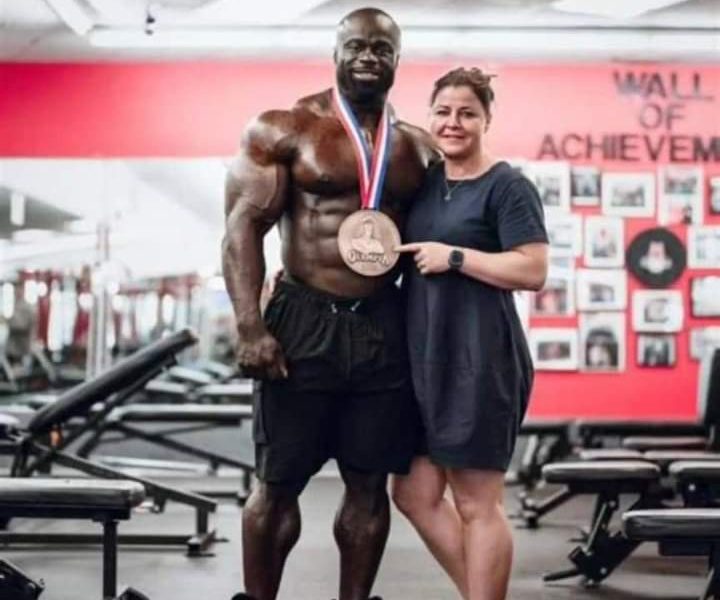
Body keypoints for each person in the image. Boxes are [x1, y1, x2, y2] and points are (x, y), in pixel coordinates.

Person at [222, 8, 434, 600]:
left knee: (368, 484)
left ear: (397, 59)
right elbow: (242, 227)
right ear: (336, 53)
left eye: (381, 49)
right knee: (277, 484)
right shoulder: (285, 129)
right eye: (357, 46)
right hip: (303, 318)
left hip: (382, 323)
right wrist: (249, 326)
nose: (368, 57)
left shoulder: (417, 148)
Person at [392, 68, 549, 600]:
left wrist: (456, 257)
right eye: (443, 111)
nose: (453, 122)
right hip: (423, 359)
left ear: (487, 120)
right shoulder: (425, 183)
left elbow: (533, 270)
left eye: (467, 113)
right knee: (412, 494)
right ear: (429, 116)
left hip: (481, 359)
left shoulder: (507, 186)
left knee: (477, 503)